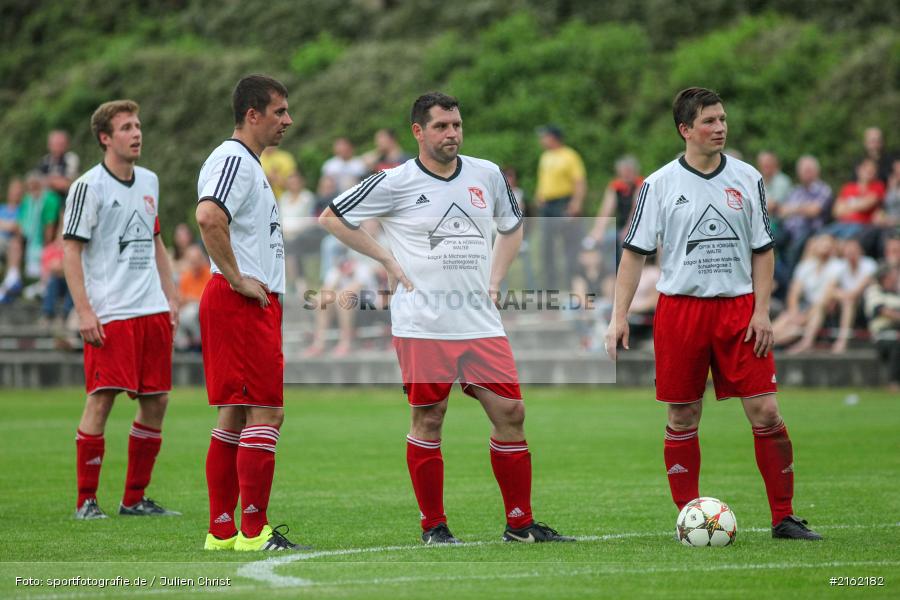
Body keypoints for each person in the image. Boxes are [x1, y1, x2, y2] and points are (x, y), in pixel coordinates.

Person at [320, 92, 574, 545]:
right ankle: (434, 526)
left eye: (456, 124)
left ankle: (520, 524)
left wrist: (496, 279)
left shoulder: (487, 174)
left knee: (511, 413)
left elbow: (513, 228)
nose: (452, 133)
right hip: (422, 324)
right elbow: (333, 217)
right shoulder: (394, 181)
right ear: (418, 132)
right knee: (430, 419)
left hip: (479, 322)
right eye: (441, 126)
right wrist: (388, 262)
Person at [606, 87, 822, 540]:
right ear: (685, 130)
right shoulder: (658, 184)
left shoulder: (747, 178)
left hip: (739, 311)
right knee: (682, 415)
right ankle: (690, 519)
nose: (720, 127)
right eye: (709, 121)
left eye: (722, 119)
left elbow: (764, 249)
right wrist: (618, 316)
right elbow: (633, 254)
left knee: (765, 410)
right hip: (680, 312)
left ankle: (784, 516)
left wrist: (762, 311)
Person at [195, 74, 306, 551]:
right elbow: (207, 215)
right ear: (252, 115)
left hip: (247, 301)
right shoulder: (232, 159)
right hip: (241, 301)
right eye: (280, 111)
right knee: (268, 413)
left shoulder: (250, 165)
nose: (288, 120)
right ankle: (252, 531)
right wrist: (239, 277)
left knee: (235, 417)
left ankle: (222, 532)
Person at [61, 99, 180, 520]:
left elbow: (156, 239)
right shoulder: (88, 187)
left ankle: (134, 499)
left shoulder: (149, 180)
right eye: (127, 127)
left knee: (157, 401)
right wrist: (84, 311)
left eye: (138, 125)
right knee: (101, 400)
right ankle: (86, 501)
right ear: (105, 138)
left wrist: (172, 293)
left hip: (151, 310)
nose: (137, 133)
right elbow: (70, 251)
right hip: (111, 313)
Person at [534, 125, 587, 291]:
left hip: (563, 203)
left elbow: (579, 181)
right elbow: (544, 180)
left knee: (569, 247)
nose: (541, 140)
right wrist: (539, 195)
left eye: (544, 136)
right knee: (546, 247)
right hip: (548, 206)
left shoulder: (569, 155)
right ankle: (551, 288)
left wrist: (576, 203)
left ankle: (573, 286)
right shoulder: (545, 156)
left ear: (553, 137)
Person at [589, 155, 643, 267]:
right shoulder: (616, 187)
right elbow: (606, 211)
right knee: (598, 241)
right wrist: (597, 230)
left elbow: (636, 210)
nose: (626, 174)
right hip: (620, 228)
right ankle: (606, 274)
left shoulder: (641, 184)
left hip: (639, 228)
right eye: (623, 171)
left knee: (624, 242)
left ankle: (621, 273)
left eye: (629, 171)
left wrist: (628, 230)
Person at [864, 264, 900, 392]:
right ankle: (893, 382)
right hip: (882, 334)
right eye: (893, 275)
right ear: (885, 277)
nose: (896, 278)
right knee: (897, 342)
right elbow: (881, 310)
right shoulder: (874, 291)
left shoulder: (897, 291)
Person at [175, 244, 211, 351]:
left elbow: (208, 300)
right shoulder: (186, 276)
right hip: (186, 311)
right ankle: (184, 346)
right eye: (191, 261)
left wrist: (191, 299)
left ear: (202, 260)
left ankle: (198, 341)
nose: (194, 264)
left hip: (201, 311)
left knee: (190, 313)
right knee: (176, 316)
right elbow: (181, 298)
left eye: (196, 261)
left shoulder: (209, 274)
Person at [0, 178, 24, 301]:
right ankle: (11, 282)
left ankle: (11, 281)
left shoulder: (24, 209)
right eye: (14, 190)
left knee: (15, 244)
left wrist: (5, 224)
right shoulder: (2, 208)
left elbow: (18, 227)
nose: (15, 193)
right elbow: (12, 226)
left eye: (18, 191)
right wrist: (9, 225)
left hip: (12, 243)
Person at [38, 129, 80, 198]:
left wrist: (48, 181)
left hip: (66, 199)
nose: (57, 148)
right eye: (55, 144)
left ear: (67, 145)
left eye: (61, 144)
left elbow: (67, 184)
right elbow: (34, 182)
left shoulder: (71, 158)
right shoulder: (45, 160)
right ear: (49, 145)